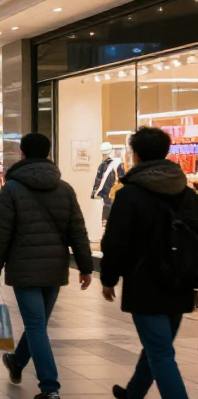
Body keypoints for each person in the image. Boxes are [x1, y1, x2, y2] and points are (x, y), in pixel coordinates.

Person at [0, 133, 93, 399]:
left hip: (24, 268)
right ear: (48, 154)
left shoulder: (11, 189)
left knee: (36, 325)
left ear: (22, 154)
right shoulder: (65, 188)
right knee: (38, 324)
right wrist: (85, 266)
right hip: (54, 268)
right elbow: (77, 231)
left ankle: (50, 388)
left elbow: (1, 232)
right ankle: (17, 362)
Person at [101, 127, 197, 399]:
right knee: (159, 345)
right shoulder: (187, 193)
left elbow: (116, 242)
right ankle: (134, 393)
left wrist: (108, 279)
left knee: (161, 351)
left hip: (145, 282)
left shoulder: (130, 194)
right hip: (180, 281)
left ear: (136, 155)